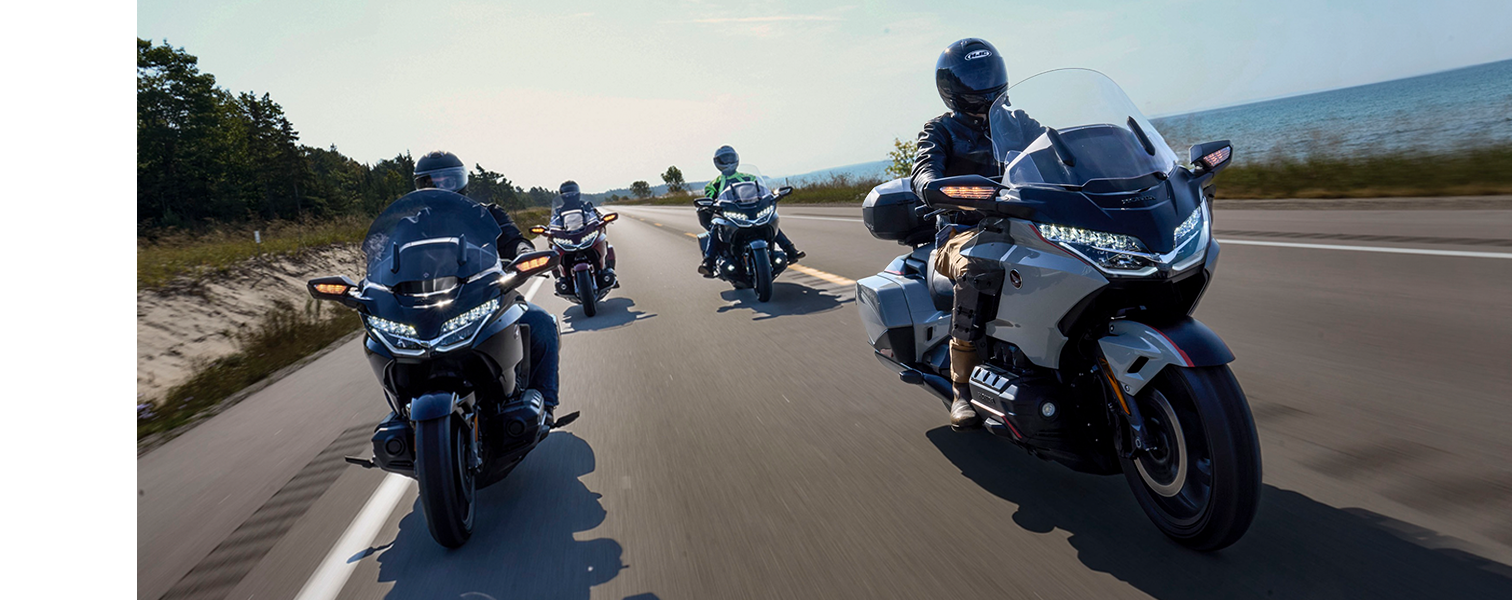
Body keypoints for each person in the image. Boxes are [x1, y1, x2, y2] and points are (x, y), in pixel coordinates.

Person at [910, 39, 1042, 430]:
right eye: (975, 76)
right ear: (953, 87)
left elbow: (1060, 148)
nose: (984, 81)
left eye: (988, 72)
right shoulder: (940, 130)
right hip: (963, 232)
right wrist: (933, 186)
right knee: (977, 268)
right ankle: (962, 388)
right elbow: (924, 170)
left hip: (1024, 224)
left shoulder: (1018, 122)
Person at [413, 150, 562, 419]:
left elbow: (513, 240)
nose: (441, 186)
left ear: (461, 181)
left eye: (448, 180)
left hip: (488, 296)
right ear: (420, 186)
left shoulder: (487, 214)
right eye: (432, 181)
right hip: (431, 307)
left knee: (541, 324)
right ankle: (404, 411)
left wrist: (523, 252)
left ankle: (545, 404)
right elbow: (387, 258)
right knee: (382, 345)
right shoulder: (413, 225)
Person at [696, 145, 805, 277]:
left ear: (736, 158)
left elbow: (762, 191)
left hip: (751, 210)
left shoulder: (749, 177)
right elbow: (710, 199)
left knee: (769, 221)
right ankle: (708, 262)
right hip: (727, 214)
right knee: (715, 228)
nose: (728, 161)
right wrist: (710, 204)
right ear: (717, 162)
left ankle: (790, 250)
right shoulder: (713, 185)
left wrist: (772, 196)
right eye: (724, 158)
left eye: (730, 157)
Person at [550, 180, 617, 286]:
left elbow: (594, 215)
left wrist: (602, 220)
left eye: (572, 193)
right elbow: (553, 223)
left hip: (585, 235)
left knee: (603, 241)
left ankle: (608, 271)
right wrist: (548, 230)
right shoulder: (558, 211)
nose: (570, 196)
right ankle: (562, 279)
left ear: (577, 193)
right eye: (567, 194)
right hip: (568, 238)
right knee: (553, 251)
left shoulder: (585, 206)